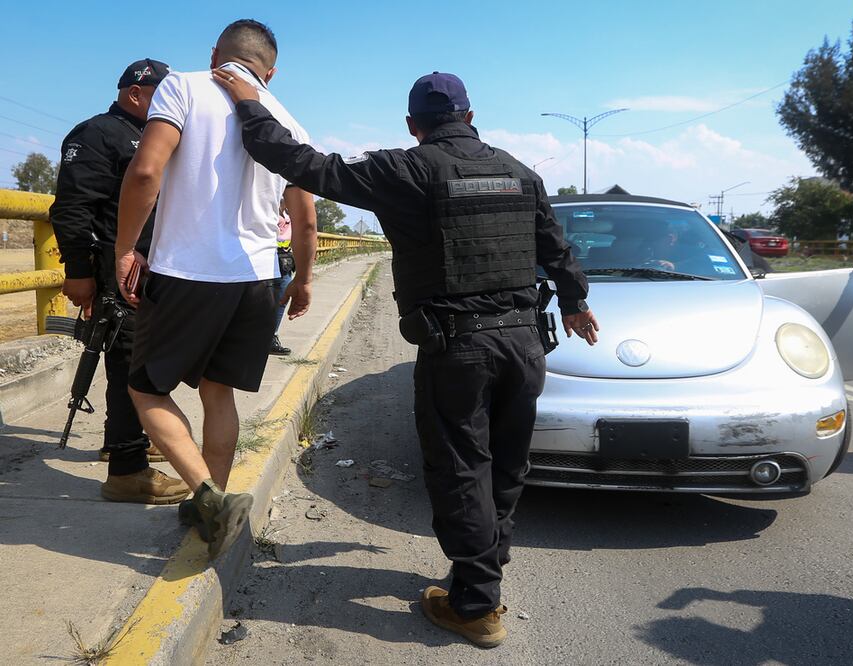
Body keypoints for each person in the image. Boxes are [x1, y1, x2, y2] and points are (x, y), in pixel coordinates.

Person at [213, 70, 598, 646]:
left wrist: (249, 103)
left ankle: (475, 605)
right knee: (505, 465)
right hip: (525, 344)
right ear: (470, 117)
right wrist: (575, 302)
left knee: (461, 467)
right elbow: (556, 247)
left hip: (459, 348)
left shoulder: (405, 169)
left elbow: (304, 165)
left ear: (413, 125)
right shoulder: (521, 172)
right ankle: (481, 572)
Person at [115, 20, 316, 559]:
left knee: (145, 389)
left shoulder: (183, 86)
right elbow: (304, 218)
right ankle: (213, 512)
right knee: (217, 390)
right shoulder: (289, 121)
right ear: (271, 72)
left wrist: (125, 248)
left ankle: (209, 496)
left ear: (214, 55)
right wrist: (302, 279)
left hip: (188, 271)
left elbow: (145, 173)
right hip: (257, 278)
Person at [49, 58, 189, 504]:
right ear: (135, 93)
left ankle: (123, 440)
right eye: (163, 96)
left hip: (149, 268)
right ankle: (128, 470)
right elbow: (72, 207)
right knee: (130, 360)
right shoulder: (99, 133)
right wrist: (79, 273)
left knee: (139, 358)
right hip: (117, 268)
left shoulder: (151, 136)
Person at [270, 202, 294, 355]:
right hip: (267, 258)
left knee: (282, 300)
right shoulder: (269, 209)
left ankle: (271, 337)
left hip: (284, 260)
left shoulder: (289, 214)